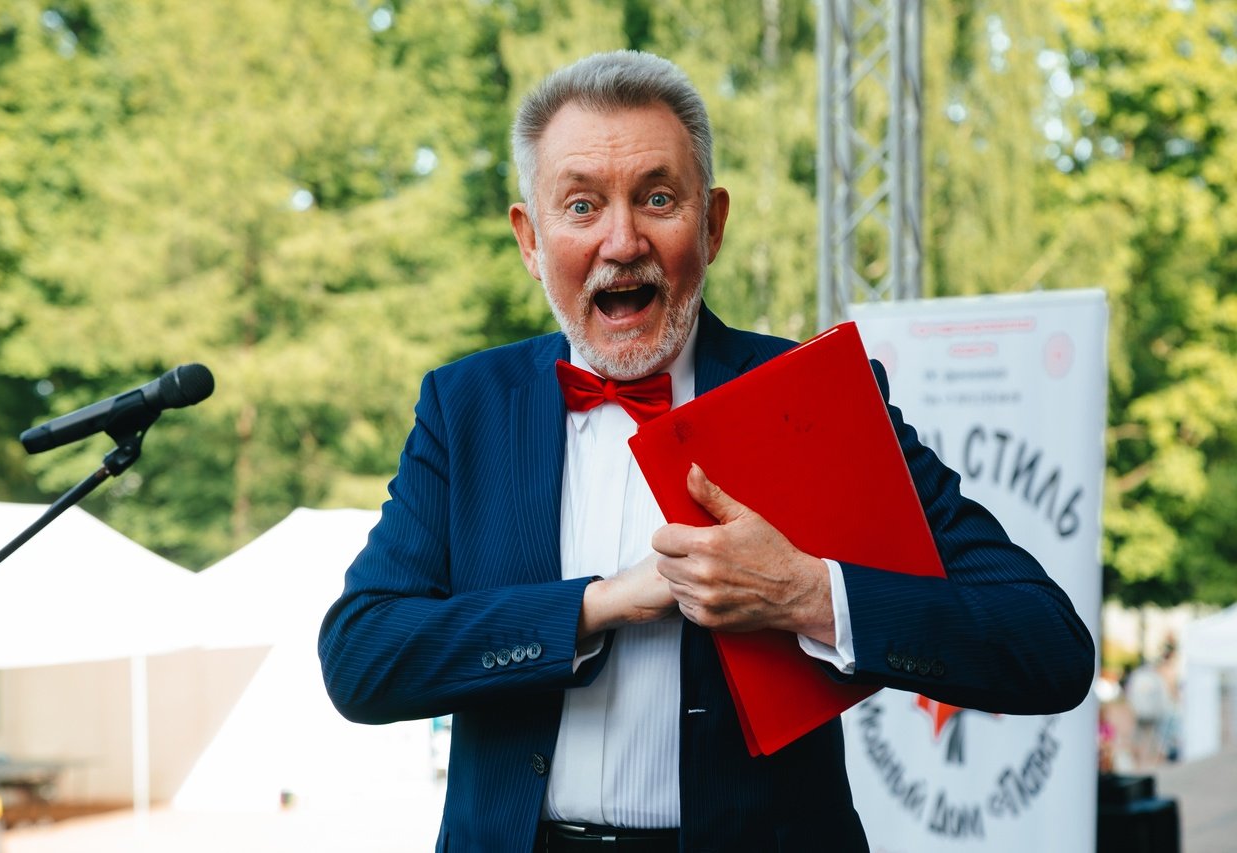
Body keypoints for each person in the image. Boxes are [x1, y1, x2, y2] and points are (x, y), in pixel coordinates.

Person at [319, 50, 1095, 852]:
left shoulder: (817, 396)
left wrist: (805, 593)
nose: (623, 241)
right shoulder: (465, 406)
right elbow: (361, 655)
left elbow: (1047, 644)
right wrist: (597, 605)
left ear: (713, 223)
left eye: (658, 198)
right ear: (531, 239)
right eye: (582, 206)